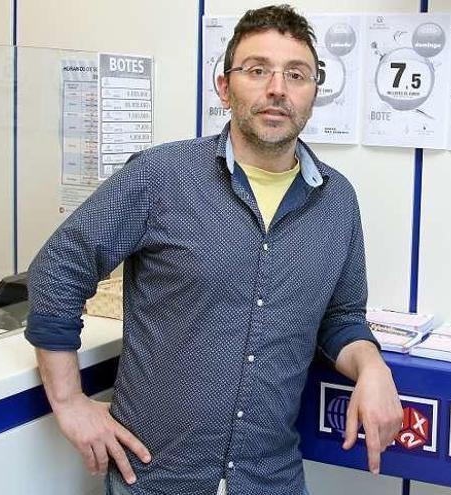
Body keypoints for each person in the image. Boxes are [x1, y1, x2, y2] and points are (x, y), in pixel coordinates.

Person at [25, 5, 403, 495]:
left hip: (271, 481)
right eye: (257, 70)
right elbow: (59, 267)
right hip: (157, 479)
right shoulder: (161, 176)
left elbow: (341, 318)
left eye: (296, 74)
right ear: (225, 88)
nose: (277, 88)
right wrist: (69, 401)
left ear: (313, 93)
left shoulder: (337, 200)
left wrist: (372, 367)